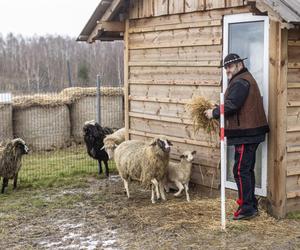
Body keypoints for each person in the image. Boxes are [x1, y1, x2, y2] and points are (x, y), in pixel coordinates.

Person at [204, 53, 269, 220]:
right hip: (249, 132)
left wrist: (215, 112)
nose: (227, 70)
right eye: (225, 68)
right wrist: (219, 107)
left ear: (239, 64)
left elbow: (233, 105)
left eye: (229, 67)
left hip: (247, 133)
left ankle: (247, 207)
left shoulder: (241, 81)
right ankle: (250, 204)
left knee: (240, 170)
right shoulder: (243, 78)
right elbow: (234, 103)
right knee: (245, 169)